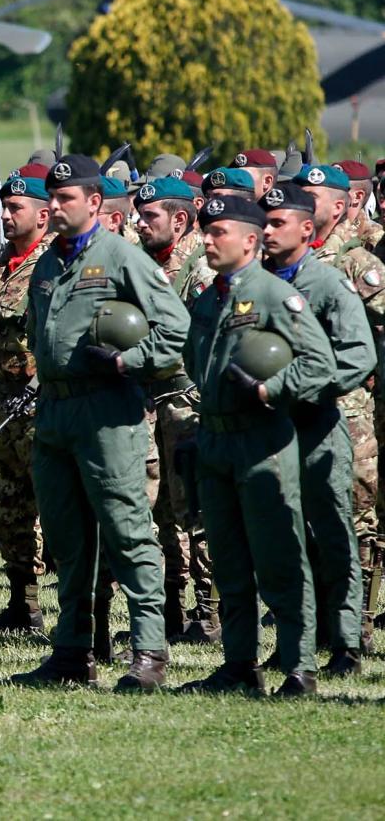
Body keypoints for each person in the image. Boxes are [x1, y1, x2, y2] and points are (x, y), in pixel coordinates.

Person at [13, 155, 189, 691]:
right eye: (52, 198)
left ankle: (149, 653)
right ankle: (72, 651)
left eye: (67, 198)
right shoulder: (47, 265)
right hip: (56, 414)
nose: (56, 206)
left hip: (107, 412)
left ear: (94, 203)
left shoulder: (120, 257)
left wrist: (126, 363)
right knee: (68, 539)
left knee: (127, 532)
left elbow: (175, 327)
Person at [180, 193, 333, 697]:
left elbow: (319, 365)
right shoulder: (208, 297)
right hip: (216, 443)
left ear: (249, 240)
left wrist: (271, 390)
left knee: (279, 558)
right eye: (205, 230)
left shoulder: (273, 295)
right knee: (229, 561)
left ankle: (299, 667)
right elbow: (191, 360)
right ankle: (239, 664)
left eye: (218, 231)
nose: (207, 238)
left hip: (262, 442)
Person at [260, 181, 377, 677]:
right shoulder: (256, 284)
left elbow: (359, 354)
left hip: (319, 425)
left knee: (334, 534)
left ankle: (347, 641)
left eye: (275, 222)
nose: (265, 230)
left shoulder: (328, 284)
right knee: (285, 539)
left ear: (306, 229)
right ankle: (296, 639)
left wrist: (304, 387)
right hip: (268, 430)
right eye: (262, 222)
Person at [132, 177, 219, 643]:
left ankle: (208, 610)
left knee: (198, 507)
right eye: (139, 216)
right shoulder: (142, 266)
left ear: (180, 220)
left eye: (150, 218)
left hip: (187, 401)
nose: (139, 225)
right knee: (161, 509)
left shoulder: (200, 270)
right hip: (148, 401)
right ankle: (170, 605)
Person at [0, 168, 53, 636]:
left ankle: (81, 611)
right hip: (3, 402)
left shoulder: (49, 265)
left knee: (50, 509)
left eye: (15, 208)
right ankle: (23, 606)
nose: (5, 216)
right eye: (4, 207)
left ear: (43, 215)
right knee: (7, 510)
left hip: (38, 402)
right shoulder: (2, 264)